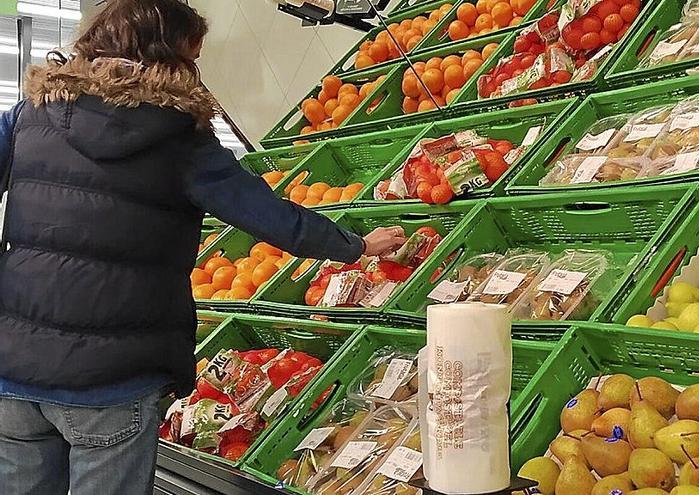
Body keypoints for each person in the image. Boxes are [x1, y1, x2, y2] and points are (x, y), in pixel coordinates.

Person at [0, 1, 407, 493]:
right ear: (169, 58)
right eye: (192, 57)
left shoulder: (30, 115)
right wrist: (357, 245)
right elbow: (272, 218)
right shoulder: (178, 137)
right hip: (114, 379)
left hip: (16, 371)